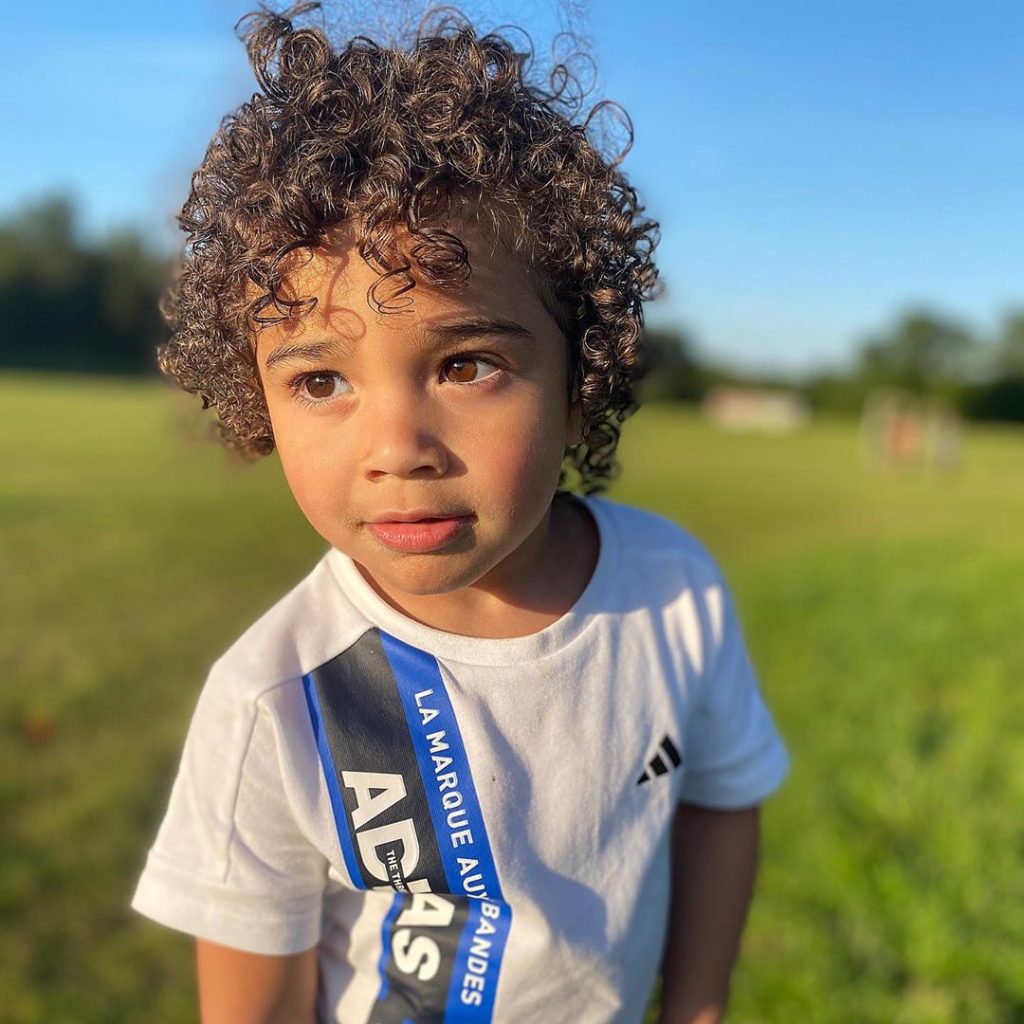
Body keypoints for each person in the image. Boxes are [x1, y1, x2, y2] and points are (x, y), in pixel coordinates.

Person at [130, 4, 789, 1022]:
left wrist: (696, 1002)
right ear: (253, 398)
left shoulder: (673, 591)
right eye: (319, 382)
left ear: (581, 378)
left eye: (464, 363)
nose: (397, 449)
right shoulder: (275, 700)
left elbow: (719, 802)